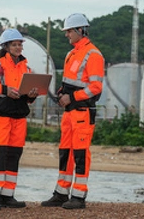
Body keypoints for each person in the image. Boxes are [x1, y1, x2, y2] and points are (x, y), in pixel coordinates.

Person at [41, 13, 105, 210]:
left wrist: (73, 97)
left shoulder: (93, 55)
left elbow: (96, 87)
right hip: (69, 113)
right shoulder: (71, 54)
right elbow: (69, 83)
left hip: (83, 113)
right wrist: (62, 94)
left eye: (69, 31)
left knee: (80, 153)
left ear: (80, 30)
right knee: (65, 152)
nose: (66, 35)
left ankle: (79, 196)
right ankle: (61, 193)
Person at [0, 28, 39, 211]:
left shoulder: (26, 68)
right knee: (0, 155)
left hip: (19, 116)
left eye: (20, 44)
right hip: (2, 116)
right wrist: (4, 90)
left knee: (14, 155)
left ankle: (8, 195)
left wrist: (32, 95)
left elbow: (27, 97)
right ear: (6, 46)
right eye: (15, 44)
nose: (18, 47)